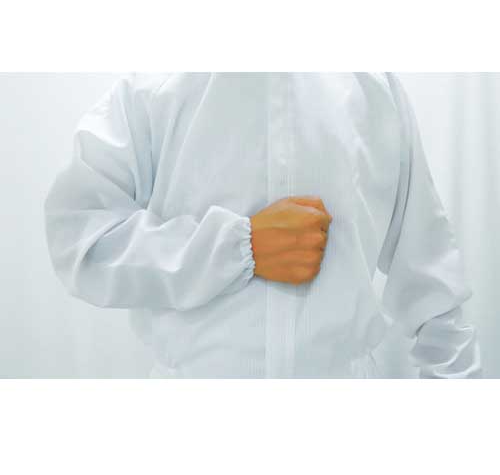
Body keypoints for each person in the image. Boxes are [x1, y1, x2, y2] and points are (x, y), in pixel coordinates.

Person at [44, 72, 481, 378]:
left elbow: (435, 295)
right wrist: (240, 247)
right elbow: (80, 240)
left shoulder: (374, 90)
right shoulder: (152, 88)